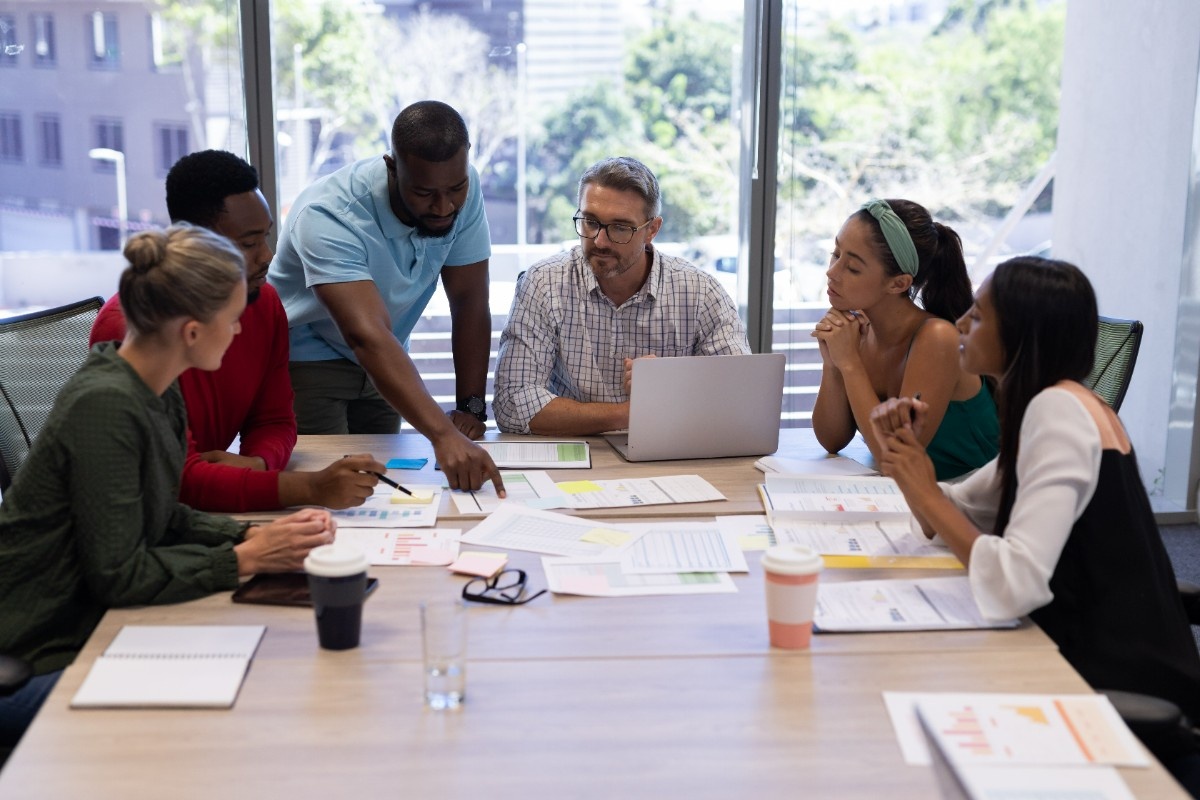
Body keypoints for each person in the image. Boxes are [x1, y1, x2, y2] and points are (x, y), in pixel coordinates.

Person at [0, 225, 339, 751]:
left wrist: (249, 536)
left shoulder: (154, 386)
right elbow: (119, 575)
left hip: (86, 624)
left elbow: (165, 511)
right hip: (40, 650)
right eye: (232, 320)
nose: (240, 332)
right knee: (229, 722)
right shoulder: (107, 406)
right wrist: (245, 560)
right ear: (192, 331)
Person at [870, 256, 1200, 788]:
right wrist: (909, 458)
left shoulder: (1058, 413)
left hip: (1114, 685)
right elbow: (948, 510)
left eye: (976, 317)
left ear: (1019, 334)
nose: (959, 325)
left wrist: (924, 490)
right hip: (1083, 658)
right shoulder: (1052, 407)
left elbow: (1015, 583)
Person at [89, 150, 384, 512]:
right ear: (195, 244)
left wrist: (258, 464)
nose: (267, 256)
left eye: (265, 237)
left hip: (198, 509)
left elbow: (275, 419)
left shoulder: (264, 301)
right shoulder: (131, 328)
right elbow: (171, 478)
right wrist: (307, 488)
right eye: (247, 244)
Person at [269, 100, 503, 495]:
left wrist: (471, 406)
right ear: (392, 167)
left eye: (455, 189)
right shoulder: (329, 214)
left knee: (382, 489)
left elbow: (469, 301)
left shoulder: (464, 187)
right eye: (425, 193)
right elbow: (366, 334)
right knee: (329, 495)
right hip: (308, 359)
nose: (444, 206)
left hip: (388, 359)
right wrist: (443, 435)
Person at [493, 157, 750, 435]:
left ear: (652, 229)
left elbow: (743, 399)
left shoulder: (701, 293)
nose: (600, 241)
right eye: (590, 222)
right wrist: (632, 413)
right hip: (572, 456)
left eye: (619, 228)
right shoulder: (544, 283)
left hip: (669, 453)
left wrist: (675, 384)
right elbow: (512, 403)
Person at [811, 198, 997, 480]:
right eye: (836, 254)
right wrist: (834, 365)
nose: (831, 272)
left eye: (852, 268)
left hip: (973, 502)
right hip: (908, 495)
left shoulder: (937, 337)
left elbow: (892, 458)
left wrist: (849, 363)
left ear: (898, 283)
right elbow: (832, 440)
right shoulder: (859, 330)